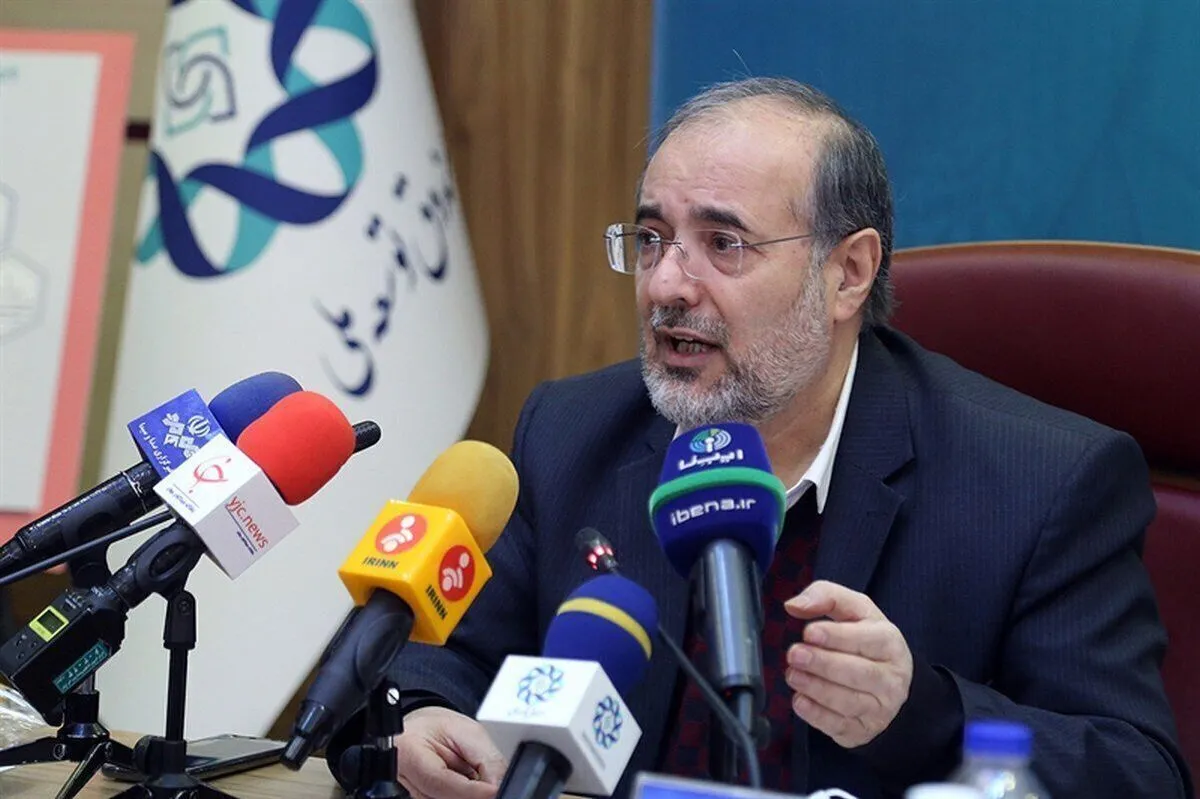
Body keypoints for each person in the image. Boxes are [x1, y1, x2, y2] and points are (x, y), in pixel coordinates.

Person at [385, 78, 1192, 799]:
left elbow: (1140, 772)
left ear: (848, 273)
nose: (666, 284)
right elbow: (442, 657)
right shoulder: (573, 431)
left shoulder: (1040, 483)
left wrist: (920, 712)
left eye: (723, 244)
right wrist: (422, 712)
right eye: (652, 238)